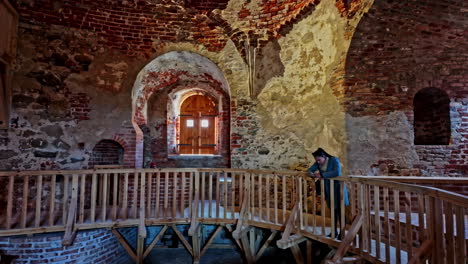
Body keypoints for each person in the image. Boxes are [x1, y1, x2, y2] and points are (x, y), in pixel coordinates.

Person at [307, 148, 349, 238]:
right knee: (333, 212)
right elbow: (310, 170)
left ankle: (342, 233)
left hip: (338, 189)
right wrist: (311, 174)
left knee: (340, 212)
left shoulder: (334, 160)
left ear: (324, 156)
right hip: (328, 190)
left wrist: (322, 175)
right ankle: (333, 232)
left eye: (319, 160)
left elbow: (337, 172)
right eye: (316, 160)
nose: (318, 162)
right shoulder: (318, 163)